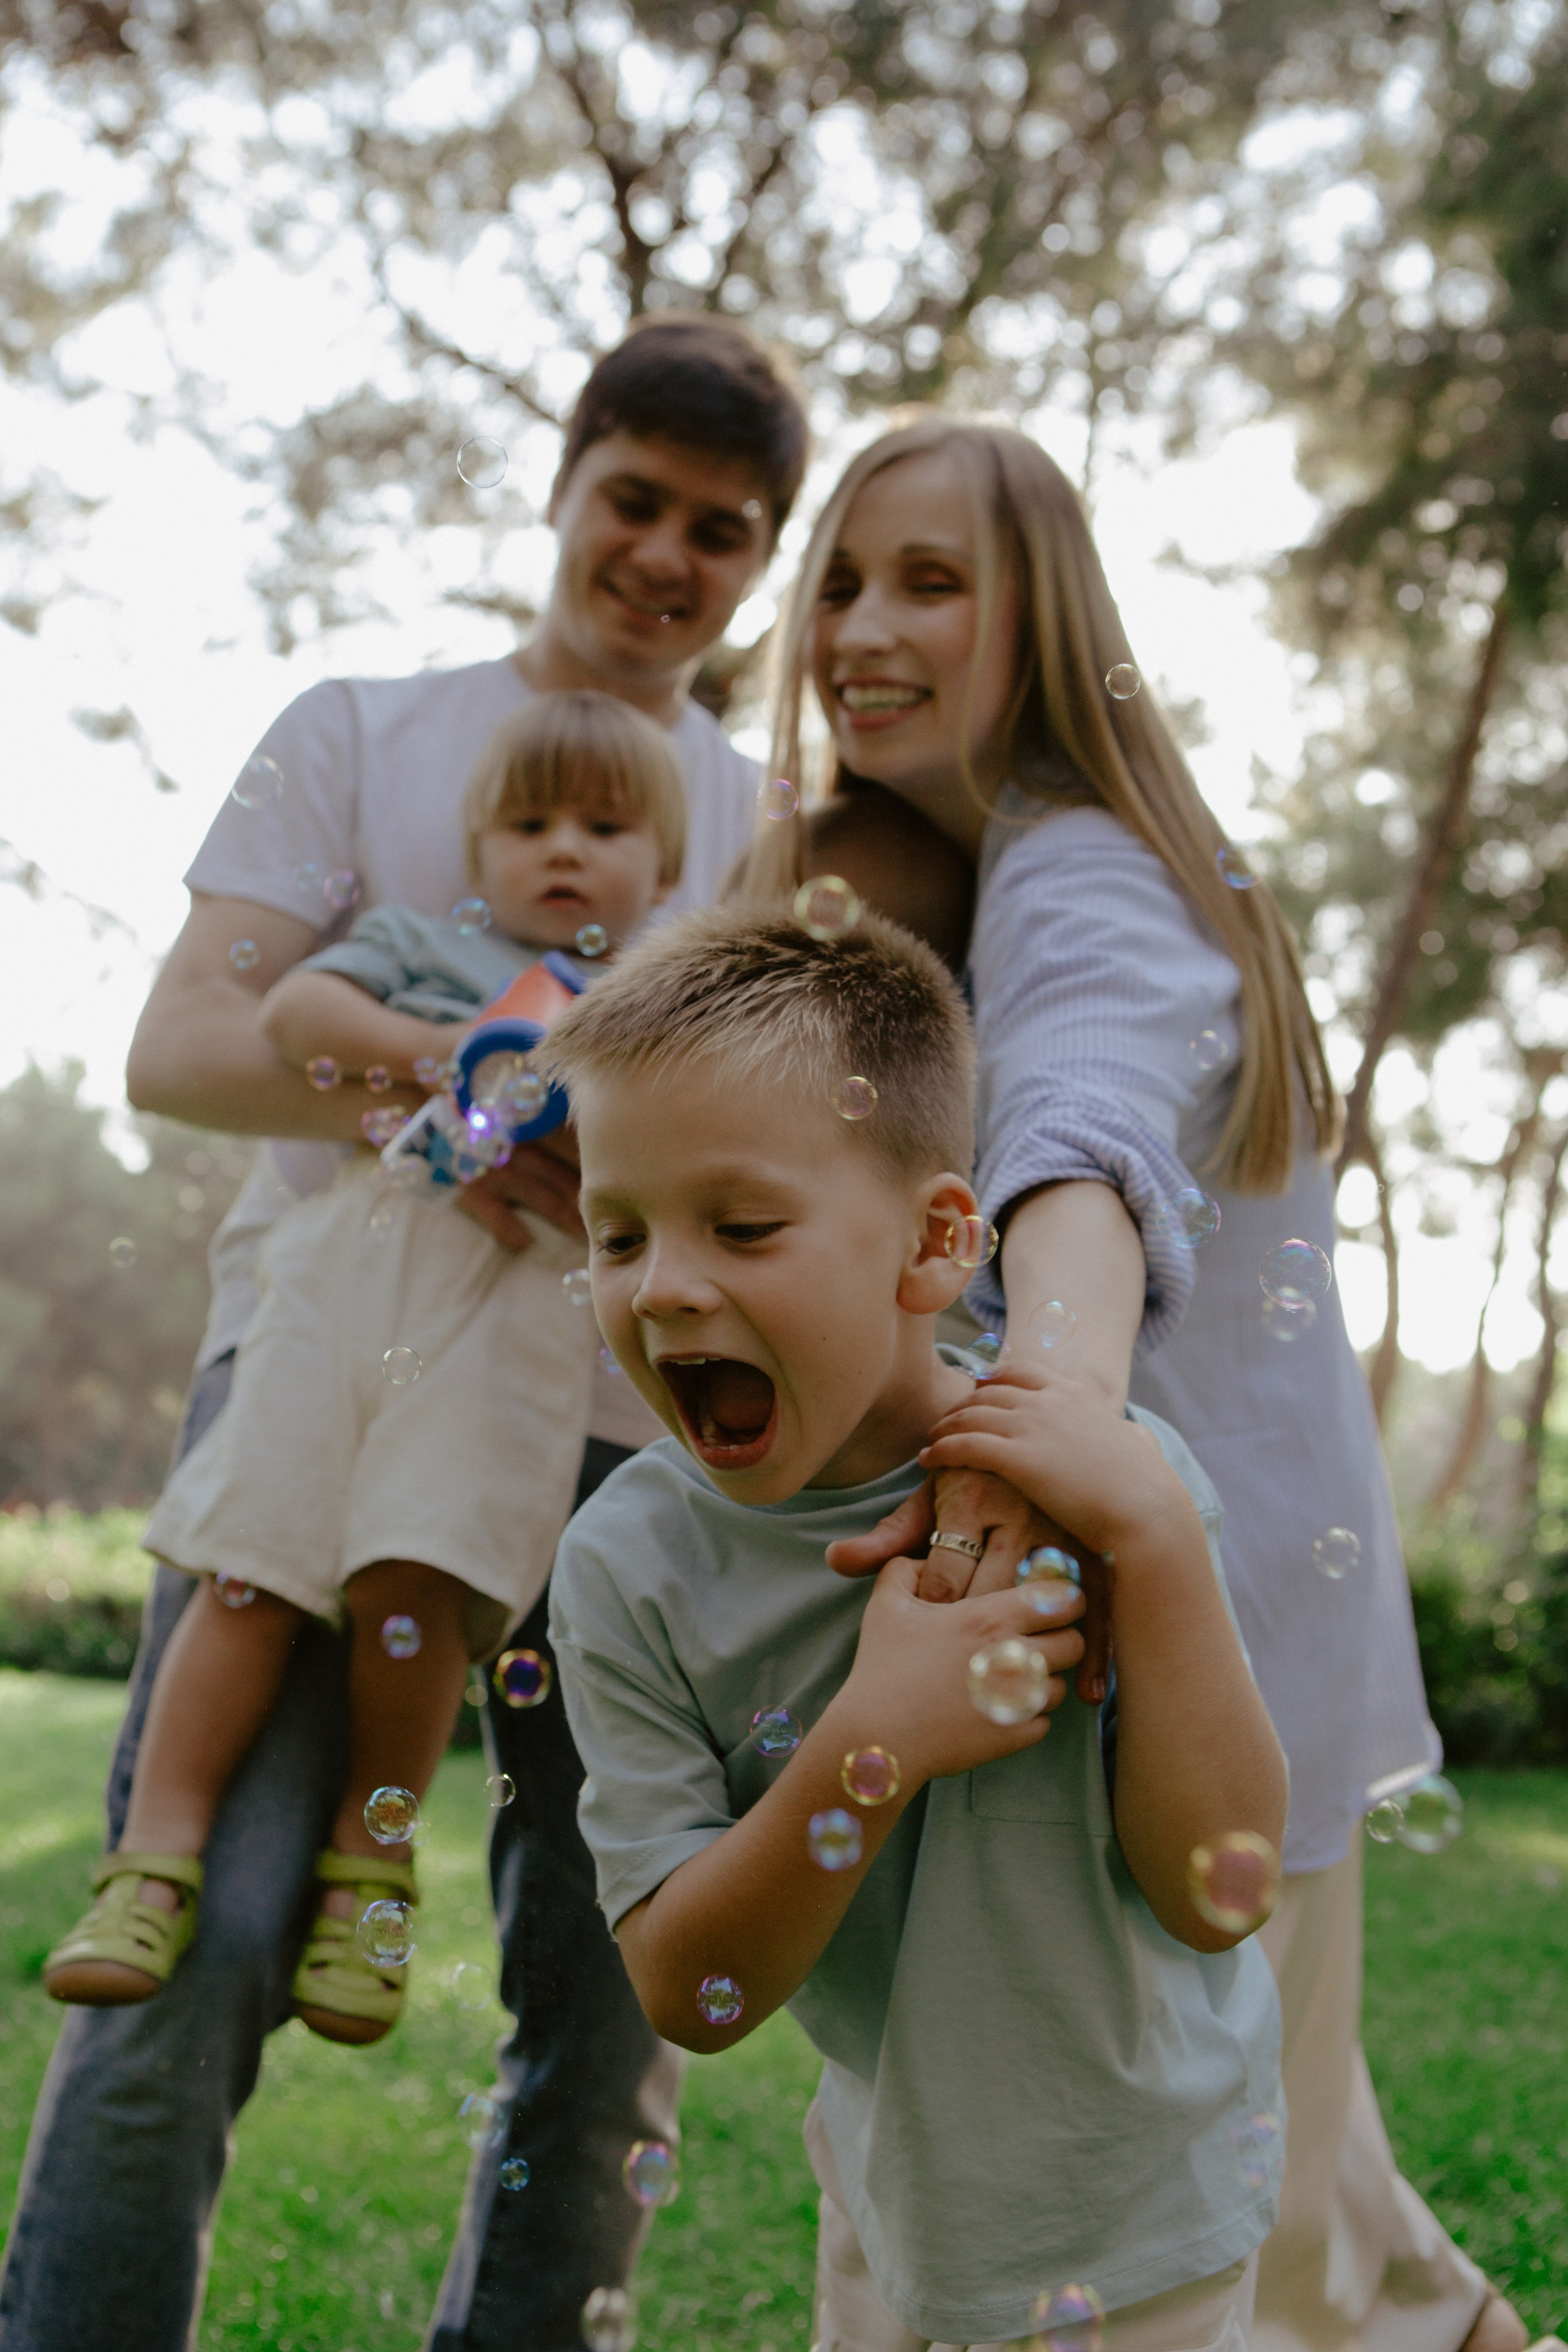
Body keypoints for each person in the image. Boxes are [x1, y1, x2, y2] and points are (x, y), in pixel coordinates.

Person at [0, 315, 808, 2352]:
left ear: (757, 562)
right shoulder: (358, 727)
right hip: (332, 1381)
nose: (665, 558)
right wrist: (468, 1114)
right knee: (199, 1926)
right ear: (562, 483)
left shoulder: (765, 828)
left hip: (635, 1444)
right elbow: (184, 1046)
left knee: (603, 1990)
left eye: (723, 532)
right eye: (635, 501)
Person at [744, 415, 1527, 2352]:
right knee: (1304, 2193)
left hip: (1176, 1666)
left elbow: (1077, 1144)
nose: (861, 623)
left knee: (1075, 2217)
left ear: (1053, 617)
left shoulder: (1075, 867)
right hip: (1236, 1648)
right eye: (842, 577)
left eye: (933, 577)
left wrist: (1048, 1420)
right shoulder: (1014, 869)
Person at [541, 902, 1289, 2352]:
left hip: (1140, 2215)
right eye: (614, 1234)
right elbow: (688, 1991)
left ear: (938, 1242)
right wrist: (873, 1737)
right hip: (889, 2204)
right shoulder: (625, 1565)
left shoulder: (1113, 1486)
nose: (664, 1285)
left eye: (740, 1225)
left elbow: (1221, 1891)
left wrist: (1151, 1544)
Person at [42, 691, 685, 2045]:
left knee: (418, 1589)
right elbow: (293, 1008)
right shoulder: (417, 947)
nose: (561, 849)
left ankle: (371, 1876)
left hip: (502, 1337)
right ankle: (147, 1863)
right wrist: (429, 1052)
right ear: (475, 853)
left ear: (666, 868)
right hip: (337, 1300)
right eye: (528, 823)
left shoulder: (649, 1009)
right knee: (248, 1569)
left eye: (604, 825)